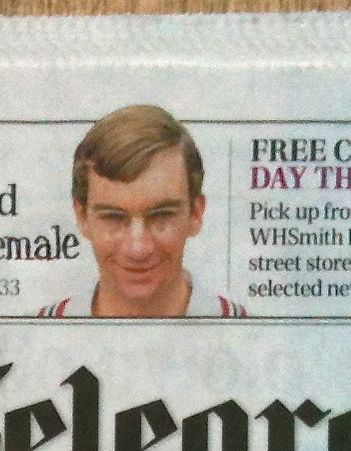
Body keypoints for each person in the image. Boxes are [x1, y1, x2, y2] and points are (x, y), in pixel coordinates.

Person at [40, 104, 245, 318]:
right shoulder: (34, 332)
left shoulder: (252, 331)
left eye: (161, 215)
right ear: (82, 217)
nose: (137, 249)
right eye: (113, 217)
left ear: (196, 213)